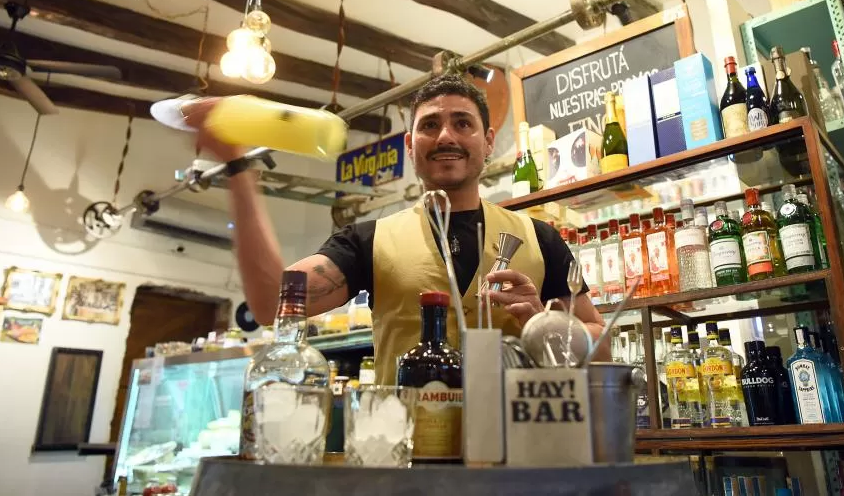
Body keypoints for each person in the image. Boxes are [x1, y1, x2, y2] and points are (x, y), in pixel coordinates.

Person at [185, 74, 609, 382]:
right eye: (428, 125)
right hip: (406, 462)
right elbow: (270, 304)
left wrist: (546, 326)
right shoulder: (366, 241)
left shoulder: (540, 239)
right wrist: (237, 170)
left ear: (488, 141)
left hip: (519, 455)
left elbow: (601, 344)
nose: (446, 135)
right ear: (409, 146)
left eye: (463, 123)